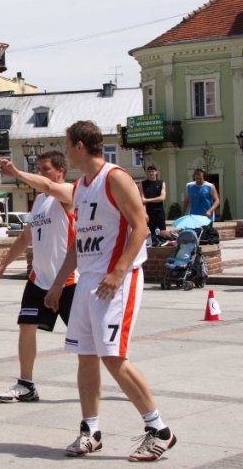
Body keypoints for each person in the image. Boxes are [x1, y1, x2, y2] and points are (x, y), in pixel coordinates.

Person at [45, 121, 176, 462]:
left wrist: (118, 272)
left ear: (78, 146)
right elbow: (77, 243)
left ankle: (160, 429)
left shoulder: (115, 177)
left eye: (66, 144)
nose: (65, 150)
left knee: (113, 357)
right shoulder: (81, 187)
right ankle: (91, 431)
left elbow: (141, 225)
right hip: (88, 279)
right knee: (86, 356)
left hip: (116, 279)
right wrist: (59, 282)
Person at [0, 151, 77, 402]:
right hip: (38, 280)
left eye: (45, 169)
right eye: (38, 169)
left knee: (89, 339)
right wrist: (3, 265)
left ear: (60, 171)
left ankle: (125, 377)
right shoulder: (40, 201)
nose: (41, 174)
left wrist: (17, 173)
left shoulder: (69, 193)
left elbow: (50, 186)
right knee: (26, 327)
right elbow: (25, 237)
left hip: (68, 281)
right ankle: (26, 385)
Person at [140, 165, 166, 244]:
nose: (151, 173)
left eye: (153, 171)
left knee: (162, 233)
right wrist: (144, 213)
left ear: (156, 172)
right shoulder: (143, 184)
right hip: (148, 212)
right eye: (149, 171)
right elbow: (142, 200)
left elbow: (162, 198)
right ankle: (153, 252)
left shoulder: (161, 183)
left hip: (159, 211)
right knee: (151, 235)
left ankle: (163, 251)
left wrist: (147, 200)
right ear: (147, 173)